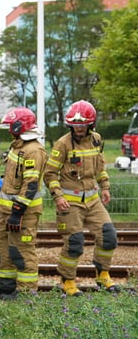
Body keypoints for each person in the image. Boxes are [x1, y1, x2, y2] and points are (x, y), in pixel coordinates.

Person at [43, 100, 119, 295]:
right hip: (70, 202)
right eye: (75, 125)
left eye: (82, 125)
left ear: (90, 124)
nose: (78, 128)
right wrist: (58, 196)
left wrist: (105, 187)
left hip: (93, 199)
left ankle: (103, 275)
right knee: (75, 242)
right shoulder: (63, 143)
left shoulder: (96, 140)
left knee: (109, 236)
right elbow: (50, 173)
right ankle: (67, 281)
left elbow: (100, 167)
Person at [0, 107, 48, 300]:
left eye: (11, 126)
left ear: (19, 126)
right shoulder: (18, 146)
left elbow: (30, 186)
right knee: (1, 247)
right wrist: (0, 206)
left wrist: (17, 212)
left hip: (23, 212)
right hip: (7, 210)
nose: (9, 130)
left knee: (22, 251)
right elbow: (9, 181)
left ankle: (26, 292)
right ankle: (7, 286)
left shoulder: (34, 150)